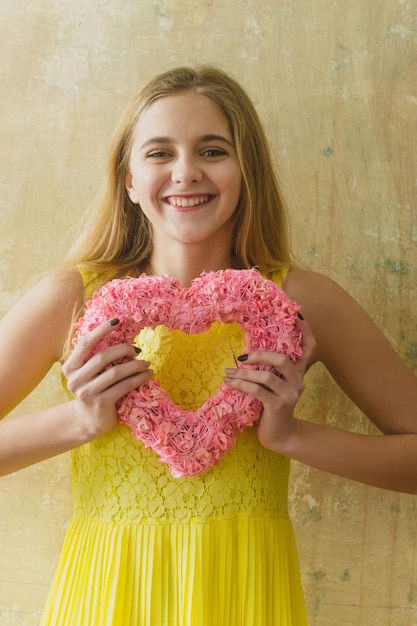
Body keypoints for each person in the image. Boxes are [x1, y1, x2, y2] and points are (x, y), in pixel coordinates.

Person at [1, 65, 416, 626]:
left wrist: (291, 436)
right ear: (127, 177)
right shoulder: (70, 299)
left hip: (247, 597)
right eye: (159, 153)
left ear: (248, 171)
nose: (186, 173)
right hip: (107, 597)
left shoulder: (300, 301)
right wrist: (77, 422)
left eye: (213, 150)